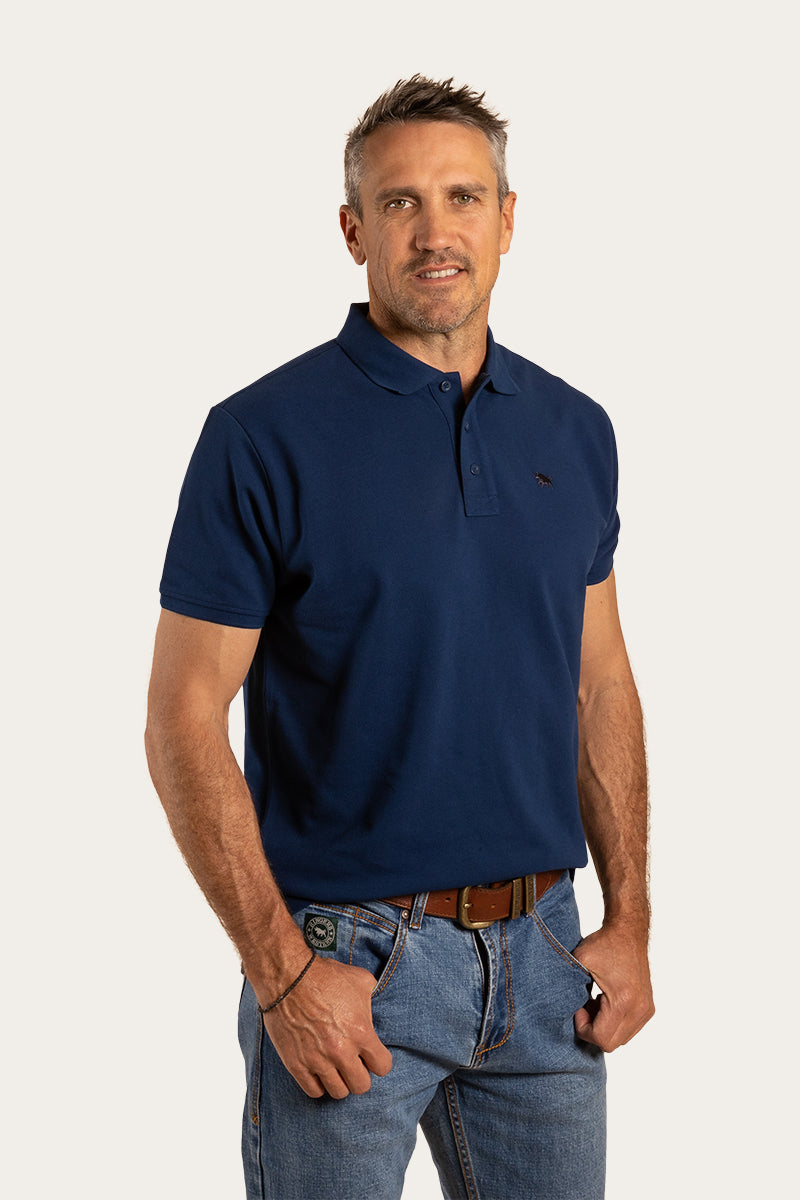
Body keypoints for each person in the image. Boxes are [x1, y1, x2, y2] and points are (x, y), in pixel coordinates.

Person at [145, 75, 654, 1200]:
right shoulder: (260, 436)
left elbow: (600, 683)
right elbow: (181, 719)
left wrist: (630, 921)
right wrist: (282, 975)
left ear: (507, 220)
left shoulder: (575, 430)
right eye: (400, 202)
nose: (435, 232)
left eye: (462, 197)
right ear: (353, 230)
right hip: (348, 968)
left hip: (545, 961)